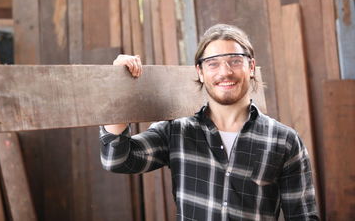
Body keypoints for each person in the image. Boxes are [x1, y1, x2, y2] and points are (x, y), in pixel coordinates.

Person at [100, 24, 319, 220]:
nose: (225, 72)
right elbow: (117, 159)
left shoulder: (284, 141)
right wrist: (119, 86)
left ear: (251, 67)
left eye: (235, 60)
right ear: (200, 72)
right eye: (213, 64)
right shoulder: (177, 131)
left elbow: (303, 216)